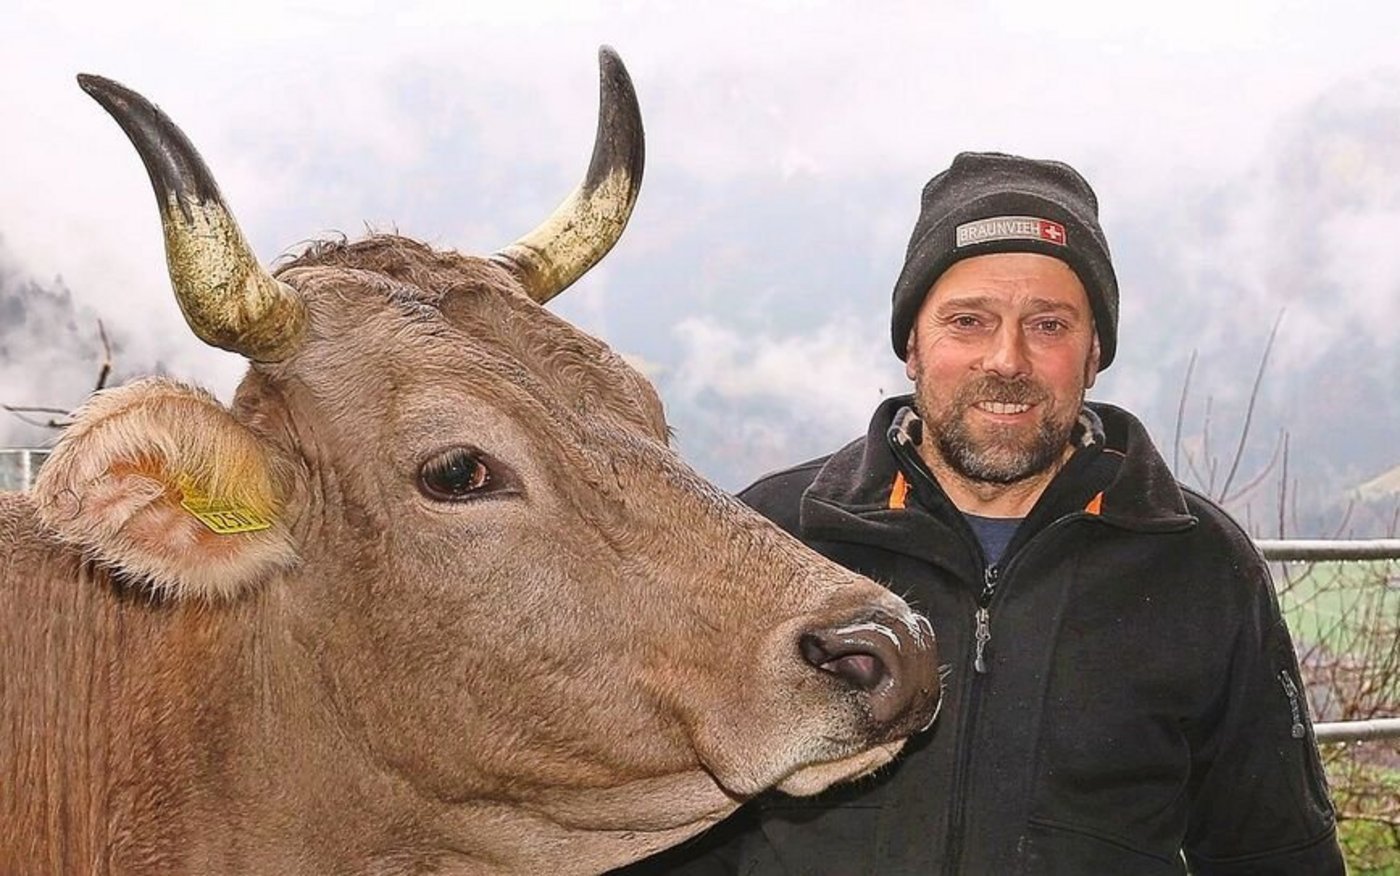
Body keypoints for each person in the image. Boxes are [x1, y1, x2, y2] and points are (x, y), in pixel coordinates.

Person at [620, 152, 1344, 874]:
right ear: (912, 344)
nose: (1006, 359)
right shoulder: (773, 537)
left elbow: (1276, 856)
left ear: (1094, 353)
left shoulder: (1199, 566)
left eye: (1049, 325)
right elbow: (666, 837)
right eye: (968, 321)